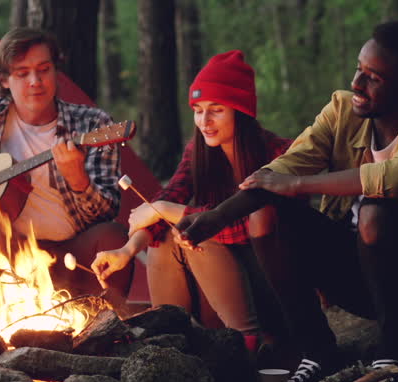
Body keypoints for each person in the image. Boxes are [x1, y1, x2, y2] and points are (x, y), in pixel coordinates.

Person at [178, 21, 398, 382]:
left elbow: (392, 176)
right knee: (266, 211)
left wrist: (297, 184)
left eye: (373, 78)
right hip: (362, 276)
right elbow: (281, 170)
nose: (358, 84)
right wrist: (214, 219)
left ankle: (391, 355)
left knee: (376, 211)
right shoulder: (342, 111)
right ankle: (316, 351)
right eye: (359, 70)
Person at [0, 27, 132, 307]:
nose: (35, 81)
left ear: (56, 72)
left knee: (113, 237)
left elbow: (108, 210)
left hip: (73, 255)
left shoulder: (93, 125)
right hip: (6, 253)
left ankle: (106, 328)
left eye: (44, 69)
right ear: (4, 79)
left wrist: (78, 180)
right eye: (22, 73)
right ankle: (3, 322)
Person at [91, 51, 289, 344]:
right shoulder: (199, 151)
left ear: (241, 110)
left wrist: (165, 209)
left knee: (198, 230)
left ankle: (252, 349)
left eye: (216, 109)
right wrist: (128, 251)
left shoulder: (279, 156)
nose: (204, 121)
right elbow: (170, 198)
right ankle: (169, 343)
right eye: (198, 109)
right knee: (169, 236)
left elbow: (244, 226)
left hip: (273, 294)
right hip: (215, 294)